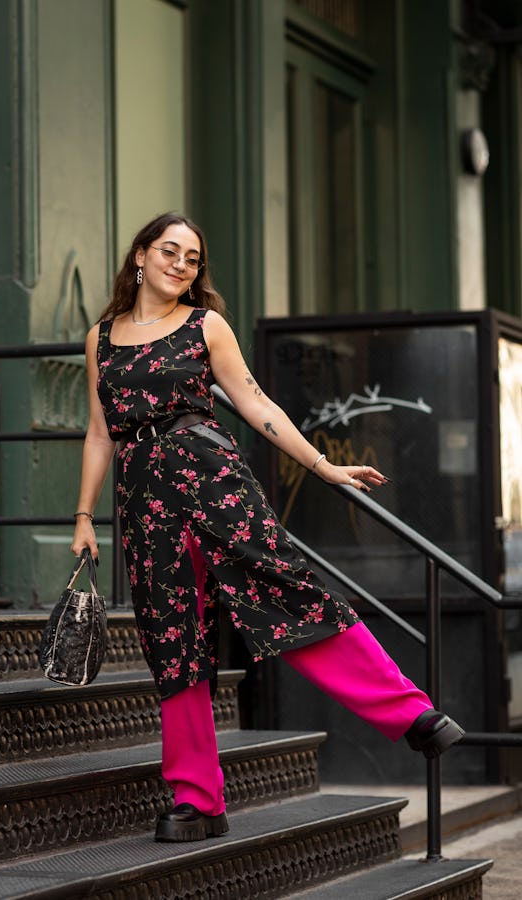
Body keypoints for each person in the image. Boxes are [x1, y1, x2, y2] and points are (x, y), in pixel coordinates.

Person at [71, 211, 464, 843]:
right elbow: (97, 434)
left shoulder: (206, 326)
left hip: (210, 476)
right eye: (168, 251)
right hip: (143, 498)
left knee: (284, 592)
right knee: (173, 641)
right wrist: (85, 517)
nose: (179, 264)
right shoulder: (101, 338)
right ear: (140, 256)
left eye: (192, 258)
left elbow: (254, 401)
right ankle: (197, 799)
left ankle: (412, 714)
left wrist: (323, 465)